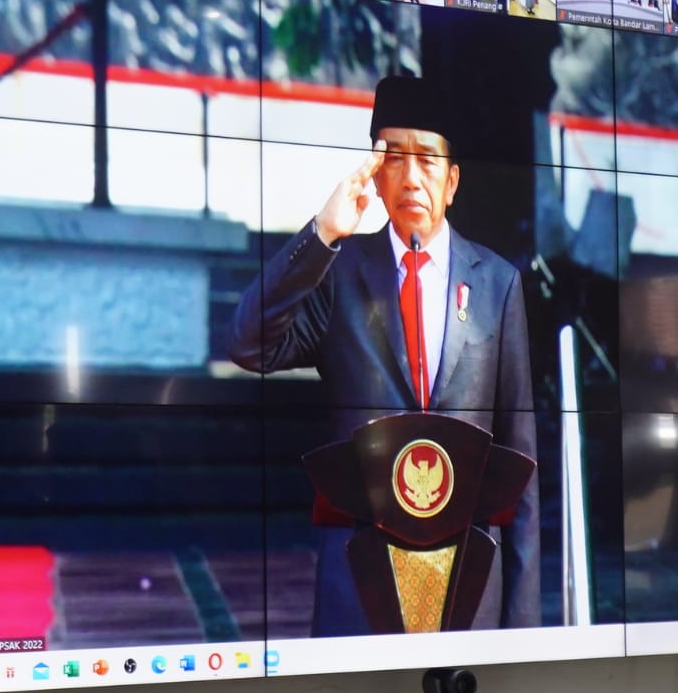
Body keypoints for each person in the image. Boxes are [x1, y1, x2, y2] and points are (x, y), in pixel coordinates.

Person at [229, 76, 540, 636]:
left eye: (427, 159)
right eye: (393, 158)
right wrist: (322, 234)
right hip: (361, 582)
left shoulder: (497, 284)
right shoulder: (340, 274)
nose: (411, 176)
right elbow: (249, 344)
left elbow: (520, 466)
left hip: (468, 583)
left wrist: (521, 628)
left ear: (452, 181)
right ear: (375, 174)